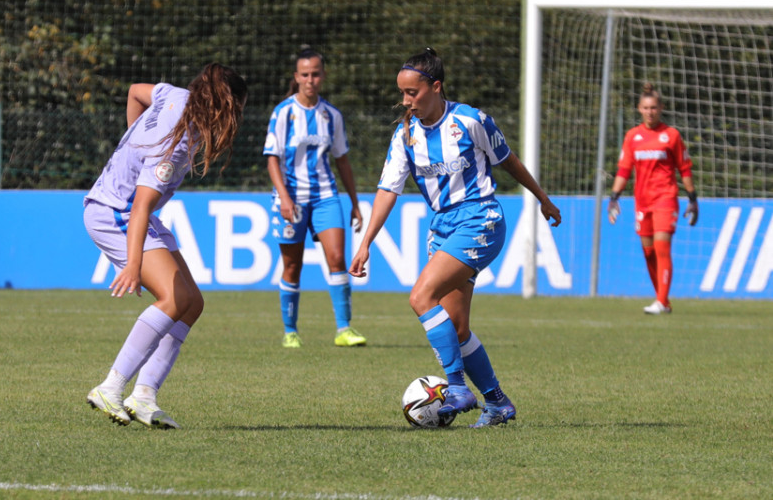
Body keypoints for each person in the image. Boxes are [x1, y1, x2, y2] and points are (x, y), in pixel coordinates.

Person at [348, 48, 561, 428]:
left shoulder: (471, 121)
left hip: (481, 219)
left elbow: (508, 161)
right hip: (443, 226)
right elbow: (387, 190)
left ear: (435, 87)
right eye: (402, 93)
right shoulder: (406, 135)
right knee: (457, 327)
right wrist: (366, 242)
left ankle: (458, 387)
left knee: (420, 297)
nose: (406, 100)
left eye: (413, 92)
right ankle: (497, 403)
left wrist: (542, 198)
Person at [83, 63, 247, 428]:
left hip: (126, 209)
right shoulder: (174, 145)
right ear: (223, 107)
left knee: (191, 304)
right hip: (116, 212)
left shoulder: (174, 94)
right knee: (172, 300)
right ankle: (111, 386)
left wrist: (133, 141)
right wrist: (131, 263)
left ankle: (143, 397)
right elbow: (140, 206)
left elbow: (134, 91)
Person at [263, 48, 365, 348]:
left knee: (337, 258)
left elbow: (342, 160)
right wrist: (284, 197)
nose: (311, 80)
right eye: (305, 74)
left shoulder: (331, 115)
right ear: (296, 78)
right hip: (291, 198)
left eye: (316, 73)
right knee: (292, 266)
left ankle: (344, 329)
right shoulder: (283, 113)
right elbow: (271, 159)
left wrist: (355, 203)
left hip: (325, 196)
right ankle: (290, 331)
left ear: (323, 75)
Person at [608, 82, 697, 315]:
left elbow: (684, 168)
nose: (650, 112)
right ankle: (663, 301)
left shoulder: (671, 136)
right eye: (646, 108)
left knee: (661, 247)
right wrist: (614, 197)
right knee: (648, 252)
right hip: (642, 202)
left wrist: (692, 199)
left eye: (654, 108)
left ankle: (661, 300)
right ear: (639, 109)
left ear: (661, 108)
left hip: (665, 199)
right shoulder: (632, 137)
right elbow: (624, 170)